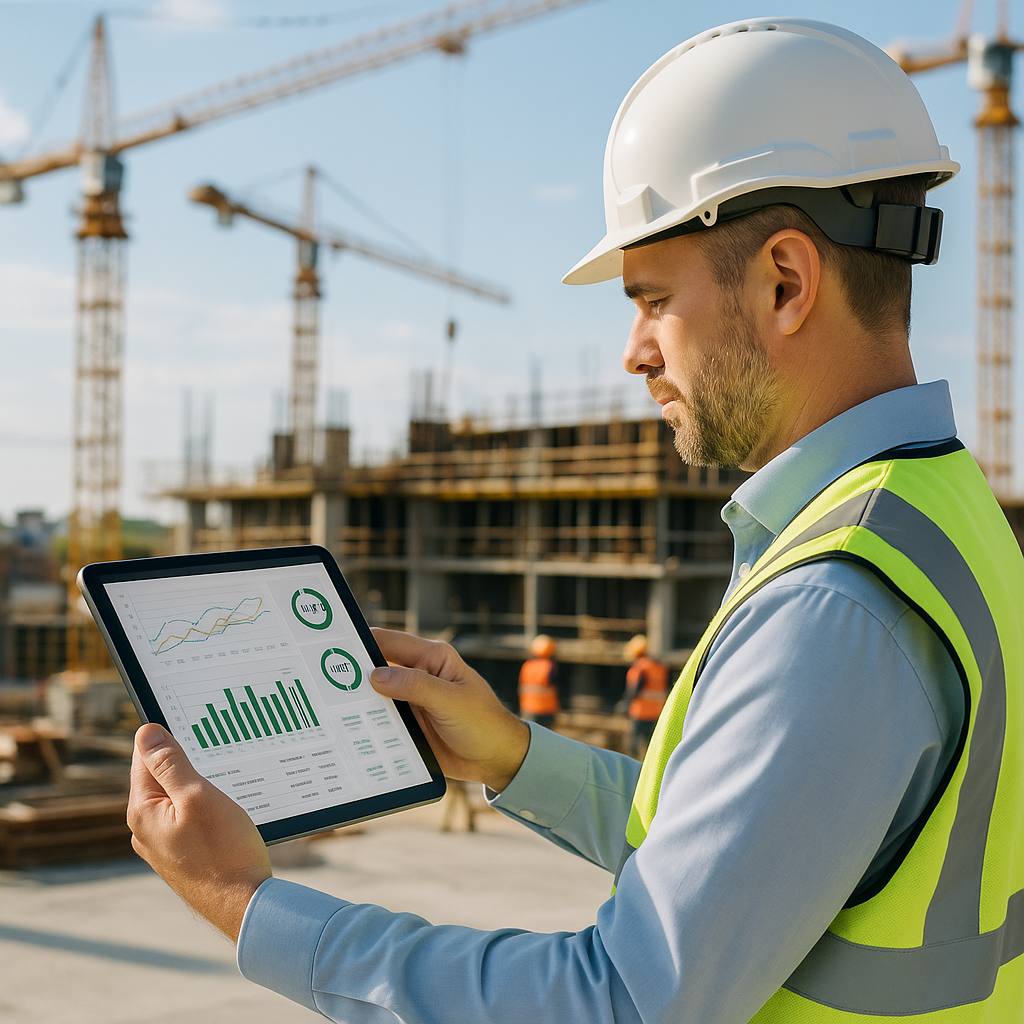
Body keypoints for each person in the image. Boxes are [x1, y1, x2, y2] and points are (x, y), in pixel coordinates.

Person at [126, 18, 1024, 1023]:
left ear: (785, 281)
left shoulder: (836, 601)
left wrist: (246, 904)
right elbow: (743, 860)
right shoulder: (943, 516)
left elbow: (613, 1002)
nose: (634, 352)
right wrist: (514, 757)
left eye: (651, 300)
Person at [618, 634, 668, 759]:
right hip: (657, 711)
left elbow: (633, 691)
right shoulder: (660, 667)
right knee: (651, 744)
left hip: (640, 712)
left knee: (633, 743)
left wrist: (625, 705)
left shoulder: (639, 668)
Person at [517, 633, 560, 729]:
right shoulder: (549, 666)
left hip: (528, 708)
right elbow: (553, 685)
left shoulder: (527, 665)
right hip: (546, 710)